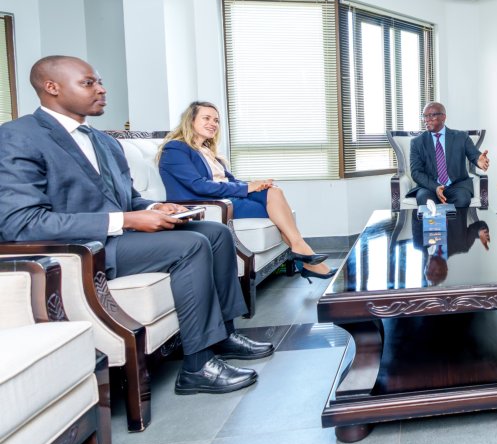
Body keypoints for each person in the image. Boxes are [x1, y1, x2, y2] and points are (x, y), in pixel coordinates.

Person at [0, 56, 275, 396]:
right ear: (51, 87)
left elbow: (127, 198)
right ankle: (198, 366)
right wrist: (127, 220)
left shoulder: (103, 141)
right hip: (85, 249)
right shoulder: (18, 137)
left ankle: (224, 335)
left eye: (100, 82)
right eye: (88, 83)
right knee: (191, 246)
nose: (101, 89)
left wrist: (154, 207)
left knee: (216, 233)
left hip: (120, 237)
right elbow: (20, 223)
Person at [157, 101, 330, 280]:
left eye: (216, 120)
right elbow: (198, 185)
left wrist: (257, 184)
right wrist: (248, 187)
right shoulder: (175, 148)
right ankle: (306, 256)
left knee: (274, 191)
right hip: (209, 204)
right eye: (206, 118)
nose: (213, 123)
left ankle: (302, 252)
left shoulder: (207, 151)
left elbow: (229, 181)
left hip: (225, 197)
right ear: (190, 120)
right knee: (276, 210)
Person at [409, 102, 490, 208]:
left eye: (431, 115)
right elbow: (416, 172)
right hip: (430, 187)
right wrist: (435, 187)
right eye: (424, 116)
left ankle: (455, 220)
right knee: (424, 200)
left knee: (463, 198)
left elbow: (474, 154)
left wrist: (479, 160)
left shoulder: (461, 137)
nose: (426, 120)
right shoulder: (417, 142)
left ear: (443, 117)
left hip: (457, 185)